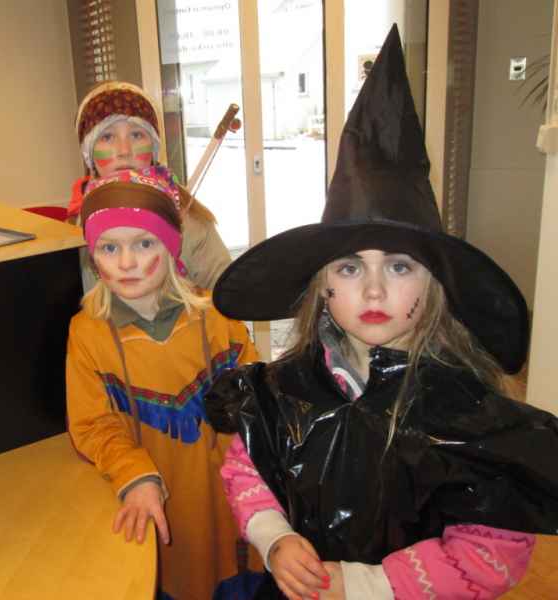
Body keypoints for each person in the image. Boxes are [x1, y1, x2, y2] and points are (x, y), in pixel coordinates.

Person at [204, 25, 558, 600]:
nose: (372, 291)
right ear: (322, 287)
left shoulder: (469, 414)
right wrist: (274, 537)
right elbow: (247, 472)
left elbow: (489, 555)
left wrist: (365, 583)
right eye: (349, 268)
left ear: (434, 283)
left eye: (397, 267)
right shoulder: (281, 391)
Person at [65, 165, 262, 600]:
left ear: (171, 246)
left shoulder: (218, 317)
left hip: (229, 499)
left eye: (144, 243)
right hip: (157, 504)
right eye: (109, 247)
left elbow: (257, 401)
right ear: (93, 256)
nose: (127, 262)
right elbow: (92, 424)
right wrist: (134, 474)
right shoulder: (87, 333)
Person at [68, 80, 232, 291]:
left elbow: (229, 294)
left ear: (153, 147)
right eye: (107, 137)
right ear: (88, 153)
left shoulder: (191, 221)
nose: (124, 150)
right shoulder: (74, 228)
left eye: (136, 135)